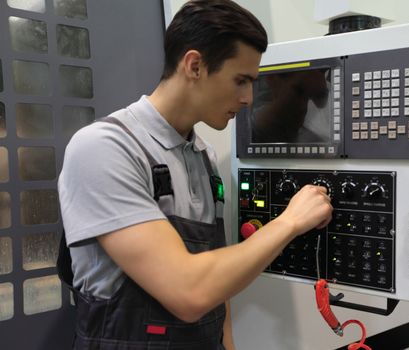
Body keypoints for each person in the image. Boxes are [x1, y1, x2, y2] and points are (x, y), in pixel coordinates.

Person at [57, 1, 333, 349]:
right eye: (241, 81)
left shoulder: (203, 157)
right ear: (195, 65)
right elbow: (190, 291)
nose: (249, 98)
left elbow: (217, 284)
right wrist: (290, 222)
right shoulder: (104, 149)